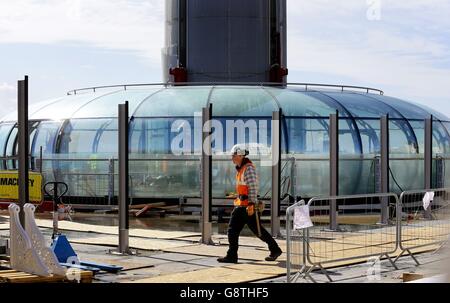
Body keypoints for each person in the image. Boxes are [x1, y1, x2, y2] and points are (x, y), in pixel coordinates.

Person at [217, 145, 283, 264]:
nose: (232, 158)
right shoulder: (241, 168)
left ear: (241, 155)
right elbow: (245, 188)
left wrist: (251, 203)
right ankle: (275, 249)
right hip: (243, 205)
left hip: (246, 206)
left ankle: (232, 256)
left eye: (234, 155)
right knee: (257, 231)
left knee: (234, 230)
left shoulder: (248, 169)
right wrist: (237, 195)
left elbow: (253, 187)